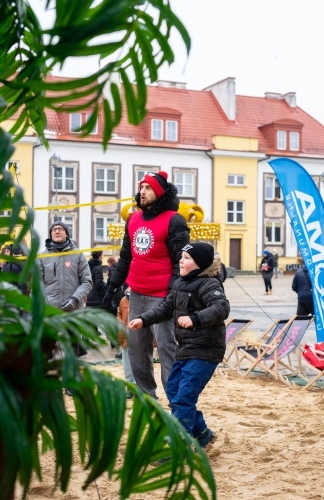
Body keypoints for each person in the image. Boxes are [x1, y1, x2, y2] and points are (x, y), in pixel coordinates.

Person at [129, 242, 230, 447]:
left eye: (186, 258)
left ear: (199, 264)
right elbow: (165, 308)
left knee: (184, 397)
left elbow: (221, 307)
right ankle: (202, 433)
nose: (181, 261)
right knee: (174, 391)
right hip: (186, 348)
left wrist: (195, 318)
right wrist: (144, 319)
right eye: (182, 257)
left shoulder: (209, 284)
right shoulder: (181, 283)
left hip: (206, 351)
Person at [102, 170, 190, 398]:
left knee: (166, 348)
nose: (142, 191)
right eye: (141, 187)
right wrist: (112, 286)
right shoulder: (133, 219)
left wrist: (173, 293)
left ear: (159, 192)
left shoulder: (174, 220)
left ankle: (176, 402)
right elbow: (125, 258)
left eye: (148, 187)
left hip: (163, 296)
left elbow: (180, 261)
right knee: (137, 349)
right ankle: (146, 397)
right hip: (137, 295)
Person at [38, 221, 92, 357]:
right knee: (44, 353)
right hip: (50, 313)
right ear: (50, 234)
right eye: (54, 230)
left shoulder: (78, 255)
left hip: (72, 312)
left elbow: (87, 282)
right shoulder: (42, 256)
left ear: (67, 233)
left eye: (60, 229)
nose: (57, 231)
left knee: (72, 353)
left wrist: (75, 299)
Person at [117, 287, 136, 397]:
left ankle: (141, 388)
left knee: (141, 366)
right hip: (125, 338)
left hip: (139, 338)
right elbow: (119, 313)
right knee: (127, 367)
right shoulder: (124, 300)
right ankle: (130, 388)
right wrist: (119, 322)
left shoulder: (144, 299)